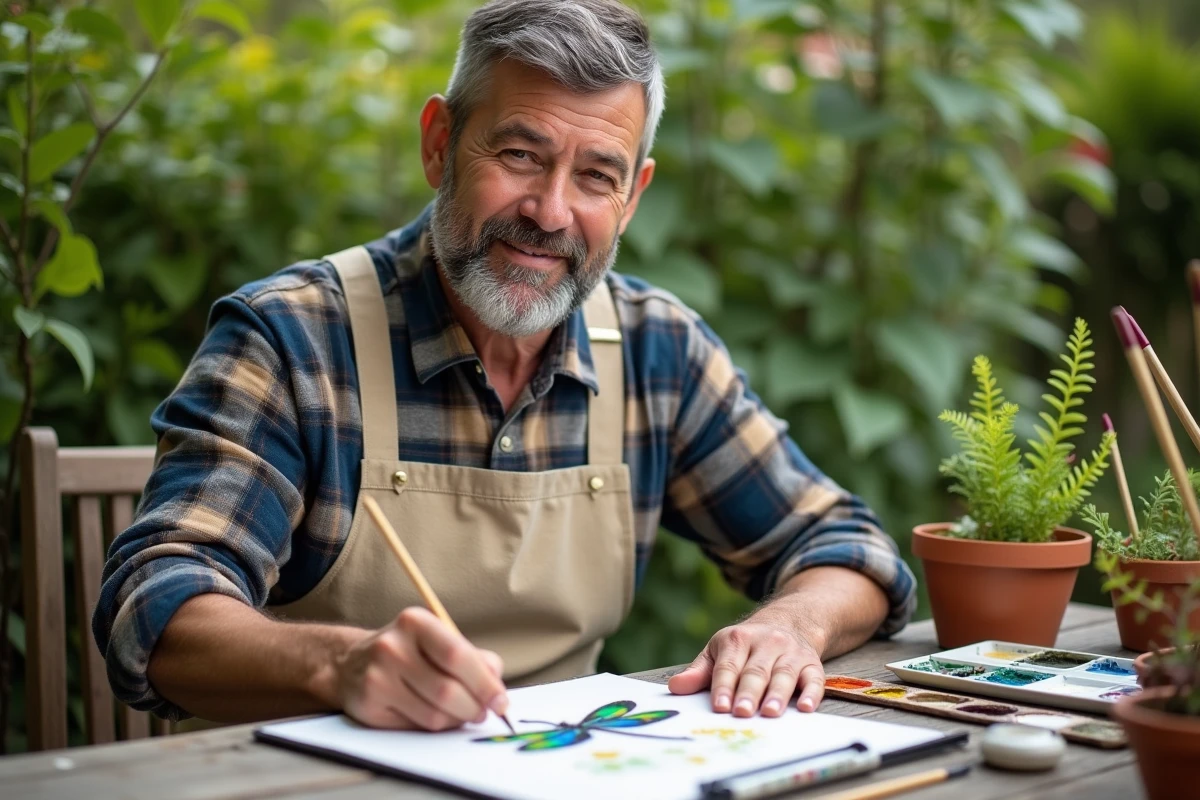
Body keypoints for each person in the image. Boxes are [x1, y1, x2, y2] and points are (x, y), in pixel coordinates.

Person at [94, 0, 915, 733]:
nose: (550, 212)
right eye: (520, 155)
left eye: (596, 176)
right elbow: (158, 605)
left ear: (632, 197)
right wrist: (335, 667)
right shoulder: (293, 338)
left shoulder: (656, 349)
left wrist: (792, 626)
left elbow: (849, 549)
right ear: (439, 143)